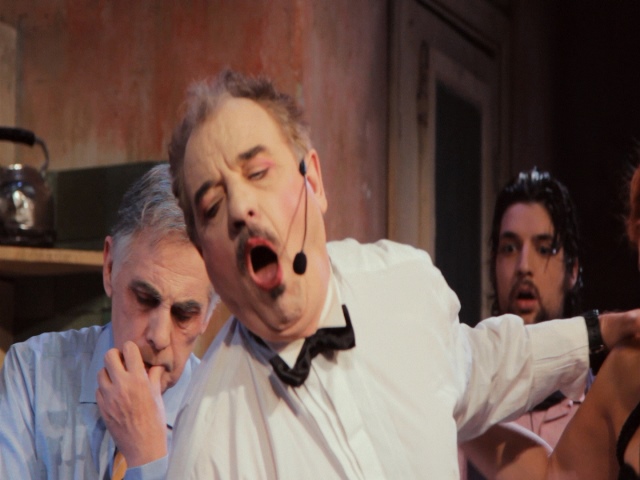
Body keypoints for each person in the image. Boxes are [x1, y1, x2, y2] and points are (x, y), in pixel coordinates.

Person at [165, 69, 640, 478]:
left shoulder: (401, 282)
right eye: (213, 206)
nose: (240, 209)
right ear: (205, 258)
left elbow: (479, 365)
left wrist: (598, 332)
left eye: (257, 173)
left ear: (313, 180)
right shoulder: (206, 449)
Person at [0, 164, 217, 479]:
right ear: (109, 267)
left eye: (184, 314)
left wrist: (148, 457)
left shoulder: (226, 419)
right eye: (144, 298)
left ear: (209, 313)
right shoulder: (32, 373)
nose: (159, 336)